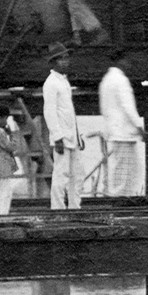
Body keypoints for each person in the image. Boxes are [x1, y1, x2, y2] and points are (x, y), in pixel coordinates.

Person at [99, 48, 146, 196]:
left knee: (120, 169)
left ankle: (120, 197)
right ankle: (121, 200)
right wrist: (139, 126)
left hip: (115, 131)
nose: (129, 64)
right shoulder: (121, 80)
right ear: (121, 61)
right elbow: (128, 106)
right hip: (125, 132)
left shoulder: (105, 80)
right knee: (126, 171)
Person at [42, 42, 84, 209]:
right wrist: (57, 137)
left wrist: (78, 136)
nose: (65, 62)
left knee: (77, 174)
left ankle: (75, 207)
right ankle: (57, 208)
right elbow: (49, 112)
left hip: (72, 136)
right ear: (53, 62)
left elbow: (69, 113)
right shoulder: (51, 83)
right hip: (62, 137)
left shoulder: (64, 82)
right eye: (61, 59)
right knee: (61, 174)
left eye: (67, 58)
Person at [0, 103, 32, 216]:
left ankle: (1, 213)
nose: (6, 122)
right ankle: (2, 214)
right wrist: (11, 135)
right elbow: (11, 147)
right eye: (5, 119)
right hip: (2, 167)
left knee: (0, 191)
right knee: (5, 193)